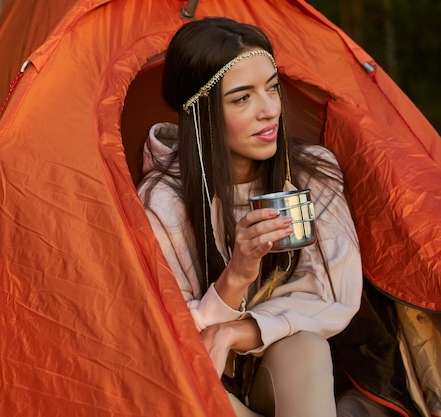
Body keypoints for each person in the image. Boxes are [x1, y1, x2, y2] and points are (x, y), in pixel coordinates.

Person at [137, 17, 363, 417]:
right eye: (242, 98)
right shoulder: (164, 201)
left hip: (280, 376)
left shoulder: (312, 173)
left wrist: (242, 330)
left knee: (305, 346)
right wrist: (237, 275)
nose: (269, 110)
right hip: (201, 386)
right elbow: (162, 332)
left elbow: (333, 295)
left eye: (272, 88)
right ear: (201, 111)